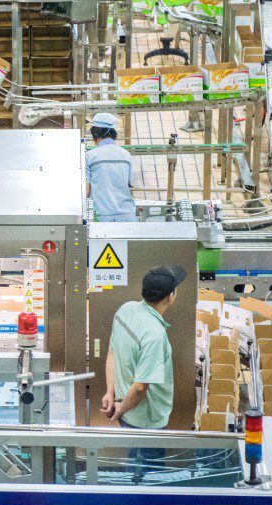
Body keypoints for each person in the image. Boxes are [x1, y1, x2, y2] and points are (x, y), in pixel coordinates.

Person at [102, 266, 185, 481]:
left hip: (124, 405)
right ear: (170, 296)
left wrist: (110, 394)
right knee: (148, 478)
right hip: (145, 419)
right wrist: (120, 409)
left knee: (134, 464)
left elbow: (112, 352)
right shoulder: (154, 334)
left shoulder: (126, 309)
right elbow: (140, 387)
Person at [85, 112, 138, 222]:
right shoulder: (126, 154)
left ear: (96, 135)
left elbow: (86, 190)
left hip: (102, 216)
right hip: (127, 215)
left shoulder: (90, 155)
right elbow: (128, 184)